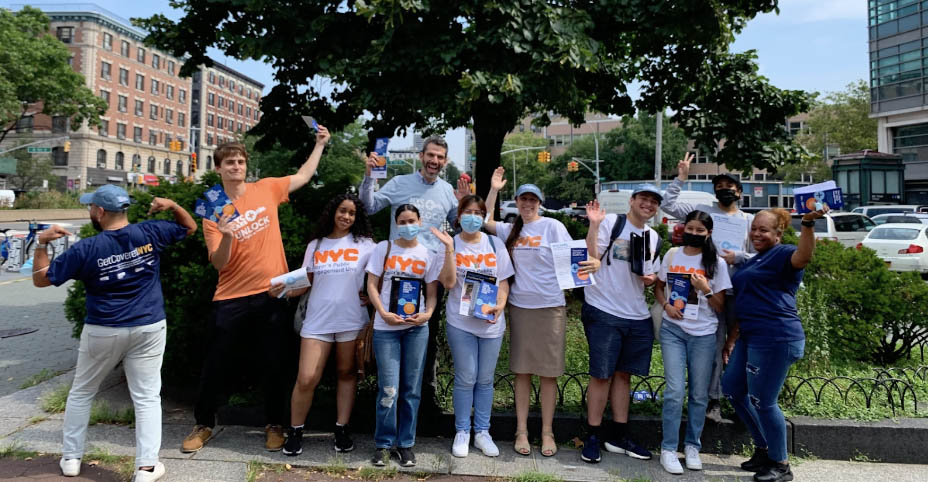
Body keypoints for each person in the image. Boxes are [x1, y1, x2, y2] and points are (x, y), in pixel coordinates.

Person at [31, 185, 196, 481]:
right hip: (149, 325)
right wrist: (172, 205)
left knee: (82, 392)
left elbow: (41, 281)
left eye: (90, 207)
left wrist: (41, 243)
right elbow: (190, 227)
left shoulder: (86, 249)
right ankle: (146, 467)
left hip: (103, 329)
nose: (89, 212)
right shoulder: (151, 232)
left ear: (101, 212)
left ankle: (71, 459)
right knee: (146, 397)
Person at [183, 127, 331, 453]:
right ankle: (204, 424)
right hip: (230, 298)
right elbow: (219, 264)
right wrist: (226, 235)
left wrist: (319, 144)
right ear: (218, 168)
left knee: (275, 365)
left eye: (240, 161)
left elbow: (304, 175)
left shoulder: (266, 188)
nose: (236, 166)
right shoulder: (213, 207)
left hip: (272, 294)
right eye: (230, 162)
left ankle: (274, 425)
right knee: (215, 365)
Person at [484, 168, 599, 457]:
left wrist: (593, 242)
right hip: (521, 308)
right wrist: (494, 189)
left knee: (549, 374)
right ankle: (521, 430)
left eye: (532, 200)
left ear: (539, 203)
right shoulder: (511, 229)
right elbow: (485, 222)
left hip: (550, 308)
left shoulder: (552, 226)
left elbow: (575, 261)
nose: (527, 204)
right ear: (518, 201)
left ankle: (547, 432)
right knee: (522, 372)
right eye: (523, 199)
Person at [359, 136, 468, 420]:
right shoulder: (399, 183)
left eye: (440, 157)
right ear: (422, 156)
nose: (435, 161)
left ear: (445, 161)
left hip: (430, 276)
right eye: (431, 155)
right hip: (396, 275)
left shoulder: (446, 190)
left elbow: (461, 224)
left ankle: (423, 403)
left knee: (425, 339)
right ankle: (387, 404)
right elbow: (368, 207)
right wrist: (369, 178)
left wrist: (464, 202)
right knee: (391, 334)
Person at [722, 207, 826, 482]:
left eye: (764, 230)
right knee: (733, 389)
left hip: (776, 337)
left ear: (778, 234)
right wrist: (732, 338)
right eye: (754, 228)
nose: (756, 233)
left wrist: (807, 224)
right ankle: (765, 448)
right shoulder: (756, 258)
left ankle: (781, 464)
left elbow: (804, 256)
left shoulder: (783, 254)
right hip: (750, 335)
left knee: (763, 401)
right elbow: (747, 302)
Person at [660, 152, 754, 423]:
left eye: (730, 186)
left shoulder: (748, 221)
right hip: (705, 292)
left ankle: (738, 398)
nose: (725, 190)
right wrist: (681, 177)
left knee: (737, 346)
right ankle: (714, 400)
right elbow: (667, 205)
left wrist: (738, 258)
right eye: (720, 186)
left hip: (738, 290)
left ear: (739, 191)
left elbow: (759, 254)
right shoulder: (704, 215)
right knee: (713, 346)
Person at [280, 193, 377, 456]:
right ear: (333, 212)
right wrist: (281, 290)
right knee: (307, 377)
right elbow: (305, 280)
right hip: (317, 320)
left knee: (347, 374)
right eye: (342, 211)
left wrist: (372, 295)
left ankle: (342, 429)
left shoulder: (366, 244)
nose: (346, 216)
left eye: (352, 213)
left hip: (352, 319)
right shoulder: (317, 244)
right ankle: (296, 430)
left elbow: (381, 276)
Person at [365, 204, 455, 467]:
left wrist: (428, 313)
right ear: (396, 223)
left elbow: (432, 290)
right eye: (402, 221)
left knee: (411, 389)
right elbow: (371, 284)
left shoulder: (427, 253)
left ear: (420, 221)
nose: (407, 225)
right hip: (387, 329)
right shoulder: (384, 248)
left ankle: (406, 444)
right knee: (388, 388)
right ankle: (383, 444)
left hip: (416, 328)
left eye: (411, 220)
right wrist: (382, 312)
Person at [579, 186, 662, 464]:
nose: (648, 205)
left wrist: (650, 279)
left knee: (624, 375)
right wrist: (594, 225)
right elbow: (591, 256)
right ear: (632, 201)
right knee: (601, 375)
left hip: (637, 314)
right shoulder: (613, 223)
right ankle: (592, 435)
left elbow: (650, 273)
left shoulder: (654, 237)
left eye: (653, 202)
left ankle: (619, 434)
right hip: (603, 309)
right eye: (643, 199)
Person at [654, 210, 732, 474]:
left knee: (699, 394)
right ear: (683, 228)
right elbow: (657, 285)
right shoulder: (672, 255)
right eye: (691, 229)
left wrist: (705, 289)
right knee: (675, 391)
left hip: (704, 334)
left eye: (701, 230)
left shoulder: (716, 264)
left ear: (708, 233)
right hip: (673, 330)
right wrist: (665, 305)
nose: (694, 234)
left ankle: (692, 446)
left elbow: (721, 306)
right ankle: (668, 448)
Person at [445, 195, 514, 458]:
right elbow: (448, 283)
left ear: (484, 216)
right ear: (459, 215)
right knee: (466, 377)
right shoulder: (451, 243)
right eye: (468, 211)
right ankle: (462, 431)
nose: (473, 216)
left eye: (478, 212)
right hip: (460, 321)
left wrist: (500, 304)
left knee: (485, 380)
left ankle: (482, 432)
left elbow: (504, 281)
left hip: (491, 322)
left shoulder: (495, 244)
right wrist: (450, 251)